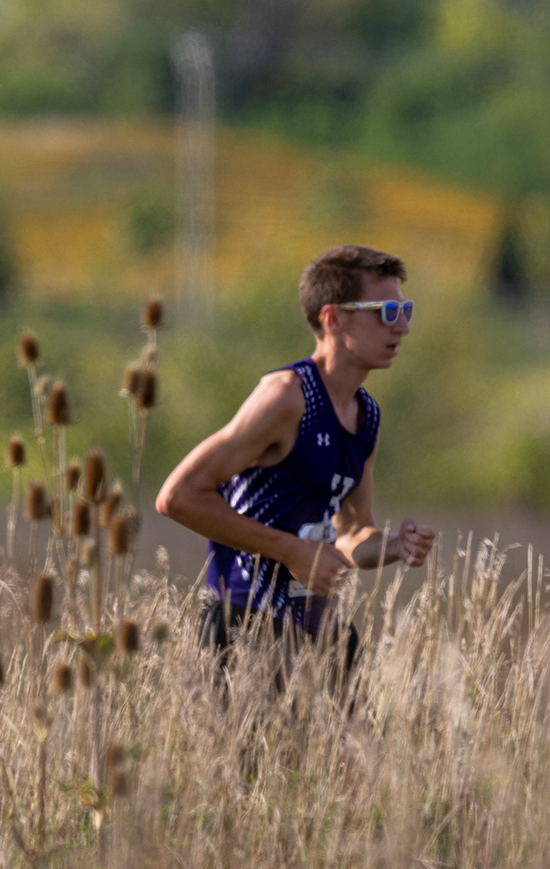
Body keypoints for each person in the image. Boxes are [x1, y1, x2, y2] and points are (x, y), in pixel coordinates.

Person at [155, 245, 437, 682]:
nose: (401, 326)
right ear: (332, 318)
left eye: (405, 310)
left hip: (322, 632)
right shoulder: (285, 396)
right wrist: (290, 551)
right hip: (246, 626)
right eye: (385, 312)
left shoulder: (367, 416)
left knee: (354, 732)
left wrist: (396, 546)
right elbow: (177, 497)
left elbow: (352, 532)